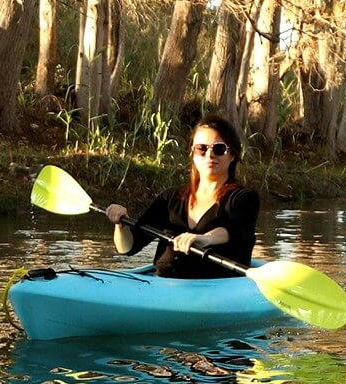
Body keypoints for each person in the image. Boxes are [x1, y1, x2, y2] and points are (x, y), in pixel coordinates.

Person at [103, 116, 260, 279]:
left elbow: (236, 229)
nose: (209, 155)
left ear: (232, 154)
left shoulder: (244, 198)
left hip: (218, 284)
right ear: (193, 153)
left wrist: (205, 239)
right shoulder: (170, 199)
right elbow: (128, 248)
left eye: (219, 149)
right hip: (163, 285)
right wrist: (121, 225)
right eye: (201, 148)